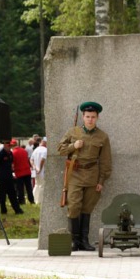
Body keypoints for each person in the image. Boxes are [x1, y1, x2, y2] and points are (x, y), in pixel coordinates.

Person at [57, 102, 113, 252]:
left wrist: (101, 180)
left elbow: (106, 161)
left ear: (97, 118)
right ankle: (74, 241)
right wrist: (73, 146)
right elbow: (60, 149)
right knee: (74, 206)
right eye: (87, 117)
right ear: (83, 117)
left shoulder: (102, 136)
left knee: (87, 208)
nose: (90, 119)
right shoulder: (72, 132)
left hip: (92, 175)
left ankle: (84, 241)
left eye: (93, 117)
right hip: (75, 174)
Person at [0, 142, 23, 215]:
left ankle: (17, 209)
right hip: (2, 177)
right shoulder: (1, 154)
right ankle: (3, 210)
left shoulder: (10, 153)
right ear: (4, 145)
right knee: (2, 194)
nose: (9, 146)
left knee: (12, 193)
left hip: (9, 176)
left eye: (10, 145)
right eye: (7, 145)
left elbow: (11, 164)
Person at [11, 139, 34, 205]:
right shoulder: (24, 151)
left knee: (20, 188)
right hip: (27, 171)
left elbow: (12, 164)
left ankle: (21, 201)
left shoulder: (13, 153)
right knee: (29, 187)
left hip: (19, 172)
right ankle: (31, 200)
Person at [31, 139, 48, 204]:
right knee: (42, 186)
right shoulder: (45, 150)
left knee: (36, 185)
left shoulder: (36, 150)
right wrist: (40, 169)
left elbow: (31, 160)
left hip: (35, 171)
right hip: (42, 171)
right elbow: (42, 160)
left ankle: (34, 199)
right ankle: (40, 201)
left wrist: (34, 167)